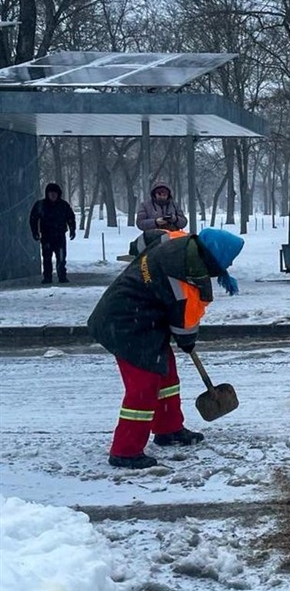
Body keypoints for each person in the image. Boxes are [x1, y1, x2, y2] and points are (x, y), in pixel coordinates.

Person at [87, 227, 244, 470]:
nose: (231, 264)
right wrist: (187, 342)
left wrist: (144, 267)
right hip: (125, 322)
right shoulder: (190, 279)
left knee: (167, 374)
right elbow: (184, 327)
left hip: (142, 316)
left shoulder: (179, 239)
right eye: (229, 259)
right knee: (144, 387)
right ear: (216, 256)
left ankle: (168, 429)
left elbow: (145, 239)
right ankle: (125, 451)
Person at [29, 183, 77, 285]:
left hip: (60, 236)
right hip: (46, 236)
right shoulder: (41, 205)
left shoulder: (63, 205)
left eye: (55, 193)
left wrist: (72, 229)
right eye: (51, 193)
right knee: (47, 258)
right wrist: (35, 232)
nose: (53, 196)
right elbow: (33, 219)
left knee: (61, 258)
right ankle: (47, 277)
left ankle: (62, 276)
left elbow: (70, 218)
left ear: (58, 194)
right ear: (47, 194)